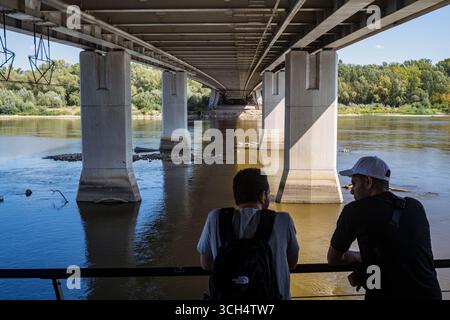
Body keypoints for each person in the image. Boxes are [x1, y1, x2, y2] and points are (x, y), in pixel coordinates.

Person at [327, 156, 442, 300]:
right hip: (429, 293)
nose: (351, 191)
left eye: (354, 184)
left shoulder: (354, 211)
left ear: (368, 182)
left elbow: (333, 259)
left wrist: (359, 256)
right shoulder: (415, 206)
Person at [197, 168, 299, 299]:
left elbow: (206, 264)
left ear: (236, 195)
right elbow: (292, 263)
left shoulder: (215, 217)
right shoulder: (283, 220)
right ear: (263, 196)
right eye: (268, 194)